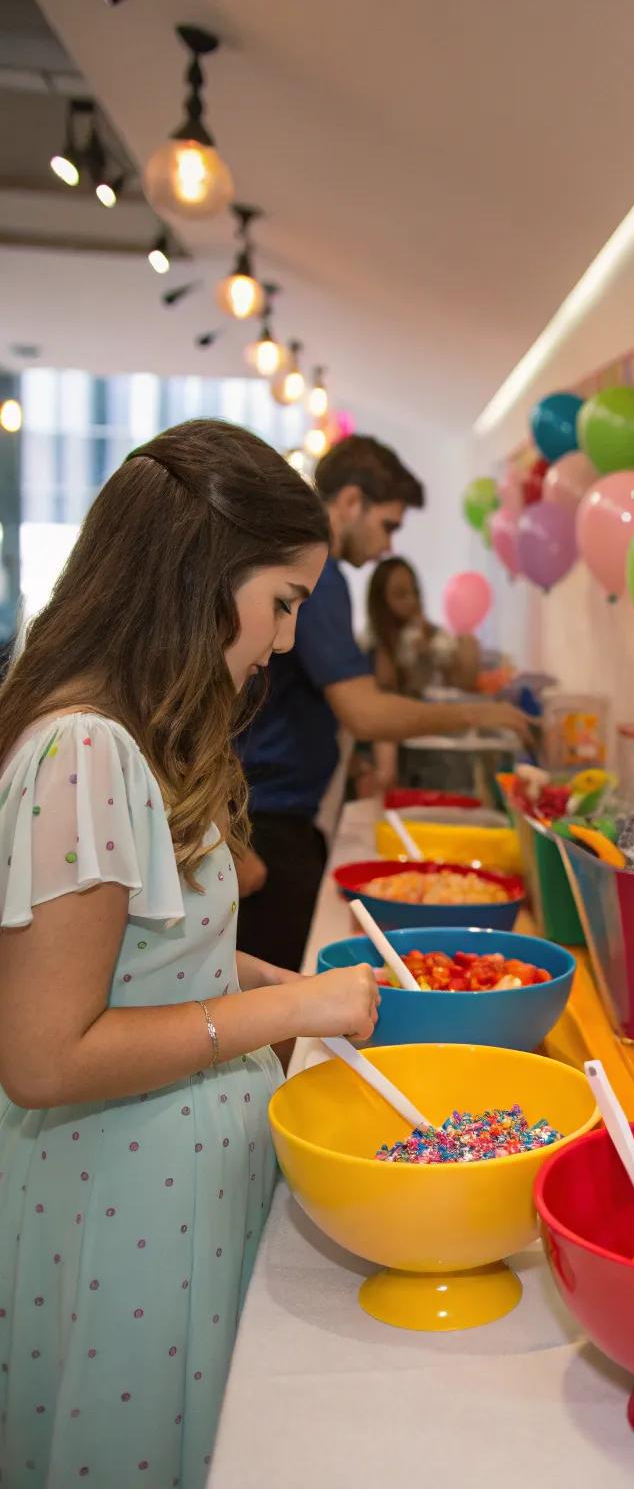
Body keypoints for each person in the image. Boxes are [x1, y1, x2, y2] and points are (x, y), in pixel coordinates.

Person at [0, 420, 380, 1488]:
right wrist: (287, 1014)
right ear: (201, 577)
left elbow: (162, 962)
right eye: (282, 603)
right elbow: (45, 1054)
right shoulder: (86, 749)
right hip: (125, 1210)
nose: (288, 641)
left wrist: (293, 983)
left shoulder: (129, 737)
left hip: (165, 1195)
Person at [236, 435, 530, 975]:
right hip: (265, 818)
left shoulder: (324, 577)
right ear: (350, 502)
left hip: (270, 811)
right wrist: (477, 712)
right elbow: (363, 709)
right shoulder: (320, 576)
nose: (389, 545)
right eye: (389, 525)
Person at [366, 556, 480, 697]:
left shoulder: (432, 634)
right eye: (400, 595)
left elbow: (462, 682)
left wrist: (432, 652)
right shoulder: (371, 645)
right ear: (381, 603)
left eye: (415, 592)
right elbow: (386, 686)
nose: (411, 601)